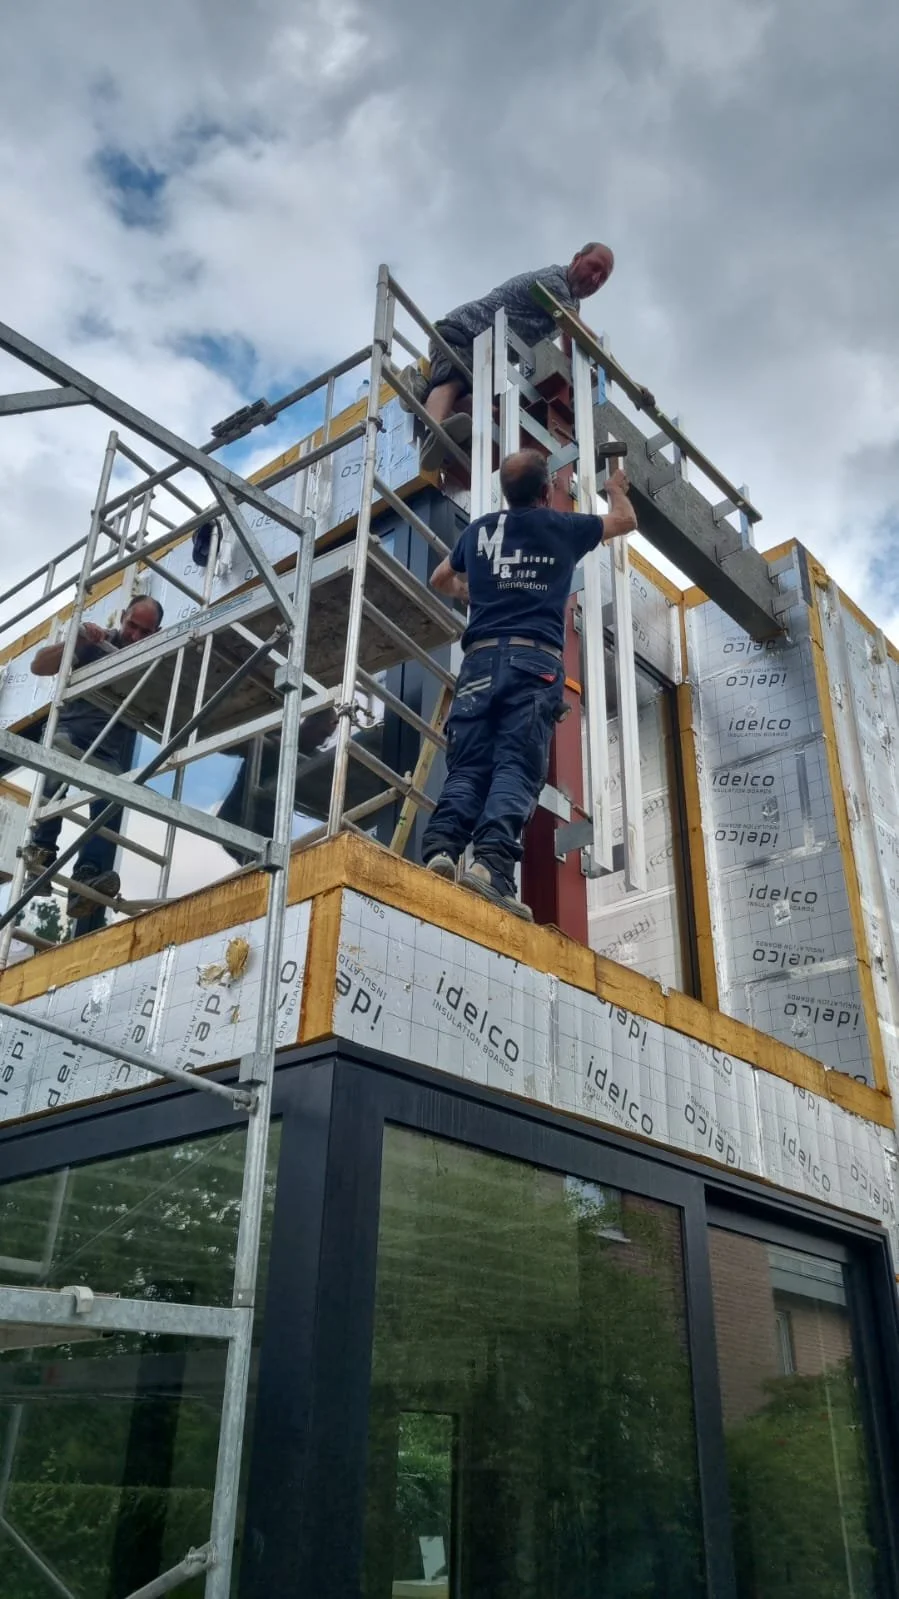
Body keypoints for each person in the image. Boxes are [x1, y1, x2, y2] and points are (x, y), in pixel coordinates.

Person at [421, 449, 636, 920]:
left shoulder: (481, 531)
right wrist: (614, 489)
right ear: (544, 492)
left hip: (479, 663)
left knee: (469, 767)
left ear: (505, 493)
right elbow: (624, 521)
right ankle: (490, 870)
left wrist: (474, 592)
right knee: (516, 766)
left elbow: (440, 576)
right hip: (532, 661)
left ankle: (440, 851)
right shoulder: (563, 526)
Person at [400, 244, 616, 472]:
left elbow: (570, 342)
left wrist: (581, 375)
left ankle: (420, 391)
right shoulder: (554, 281)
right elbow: (577, 331)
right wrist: (623, 376)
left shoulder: (572, 303)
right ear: (576, 259)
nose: (594, 279)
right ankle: (433, 433)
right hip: (465, 333)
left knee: (493, 413)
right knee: (453, 380)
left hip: (486, 359)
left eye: (602, 279)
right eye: (593, 268)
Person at [24, 595, 164, 922]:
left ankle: (86, 879)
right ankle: (41, 857)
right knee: (56, 761)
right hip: (71, 734)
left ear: (157, 633)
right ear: (122, 617)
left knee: (112, 799)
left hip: (107, 753)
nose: (135, 637)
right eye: (132, 626)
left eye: (146, 632)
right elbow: (38, 666)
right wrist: (78, 638)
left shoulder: (153, 661)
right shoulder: (98, 642)